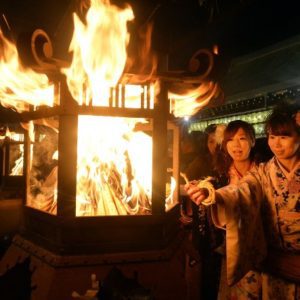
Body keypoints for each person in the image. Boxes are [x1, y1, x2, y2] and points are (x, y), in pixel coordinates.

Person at [184, 101, 300, 300]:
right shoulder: (263, 172)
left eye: (284, 137)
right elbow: (240, 191)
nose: (276, 144)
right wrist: (213, 195)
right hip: (271, 259)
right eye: (272, 137)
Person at [213, 120, 262, 300]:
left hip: (258, 247)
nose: (236, 145)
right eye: (230, 140)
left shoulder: (263, 172)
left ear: (253, 141)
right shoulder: (221, 174)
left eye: (242, 138)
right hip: (231, 247)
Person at [180, 124, 227, 300]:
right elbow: (185, 186)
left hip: (224, 226)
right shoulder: (201, 161)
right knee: (208, 265)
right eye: (211, 141)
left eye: (219, 141)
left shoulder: (228, 164)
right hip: (205, 224)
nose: (215, 145)